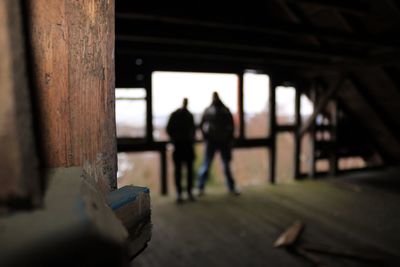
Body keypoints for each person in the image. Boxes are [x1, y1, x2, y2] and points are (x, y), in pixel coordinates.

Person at [198, 92, 239, 196]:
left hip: (222, 141)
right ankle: (200, 187)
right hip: (213, 141)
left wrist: (228, 138)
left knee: (225, 165)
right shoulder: (213, 110)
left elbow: (231, 126)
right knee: (206, 165)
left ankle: (231, 187)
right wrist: (206, 136)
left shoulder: (222, 110)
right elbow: (202, 125)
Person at [166, 98, 196, 203]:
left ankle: (181, 193)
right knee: (187, 171)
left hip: (179, 146)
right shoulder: (189, 115)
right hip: (186, 146)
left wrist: (175, 139)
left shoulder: (175, 115)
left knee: (179, 171)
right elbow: (193, 130)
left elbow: (169, 129)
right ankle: (187, 192)